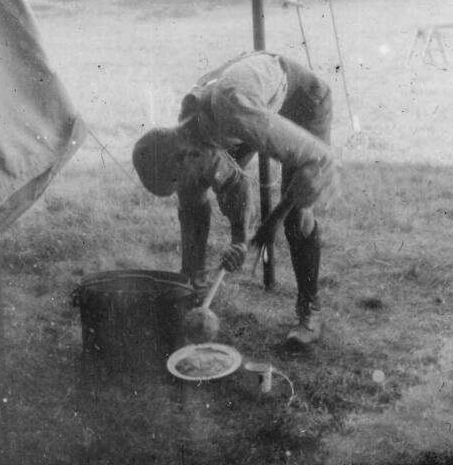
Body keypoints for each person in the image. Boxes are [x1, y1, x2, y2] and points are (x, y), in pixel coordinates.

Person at [132, 51, 335, 346]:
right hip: (250, 113)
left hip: (302, 101)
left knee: (298, 215)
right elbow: (222, 184)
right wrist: (240, 240)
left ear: (186, 155)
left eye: (176, 179)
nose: (183, 185)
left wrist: (247, 235)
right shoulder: (189, 133)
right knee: (193, 190)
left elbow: (316, 160)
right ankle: (194, 288)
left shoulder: (233, 111)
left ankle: (310, 310)